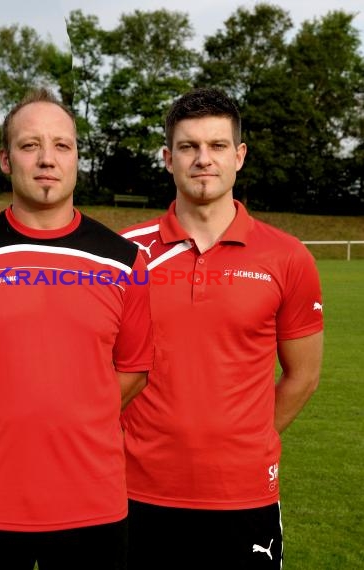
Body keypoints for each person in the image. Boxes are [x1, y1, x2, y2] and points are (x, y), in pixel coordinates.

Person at [0, 88, 153, 570]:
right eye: (29, 144)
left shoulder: (126, 261)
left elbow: (136, 368)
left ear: (78, 157)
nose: (47, 159)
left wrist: (77, 420)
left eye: (62, 145)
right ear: (4, 158)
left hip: (91, 503)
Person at [120, 87, 324, 569]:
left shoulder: (288, 256)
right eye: (188, 147)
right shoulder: (125, 254)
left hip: (243, 495)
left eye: (216, 146)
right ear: (168, 159)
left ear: (239, 156)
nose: (202, 159)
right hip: (133, 490)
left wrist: (247, 441)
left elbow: (304, 375)